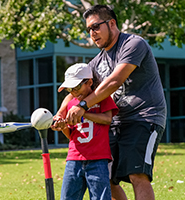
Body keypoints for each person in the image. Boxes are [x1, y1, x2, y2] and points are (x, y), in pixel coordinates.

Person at [54, 5, 167, 200]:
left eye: (96, 26)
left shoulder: (133, 44)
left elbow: (115, 81)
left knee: (136, 174)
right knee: (107, 177)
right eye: (89, 29)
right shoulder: (96, 63)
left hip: (144, 117)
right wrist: (60, 114)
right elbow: (75, 92)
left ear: (112, 23)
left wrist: (83, 106)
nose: (92, 33)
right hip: (115, 122)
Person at [51, 63, 118, 200]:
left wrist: (83, 113)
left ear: (89, 82)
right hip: (73, 159)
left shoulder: (102, 98)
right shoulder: (70, 103)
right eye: (69, 89)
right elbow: (70, 135)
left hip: (98, 159)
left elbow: (107, 119)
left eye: (76, 87)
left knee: (100, 197)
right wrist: (63, 126)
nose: (74, 92)